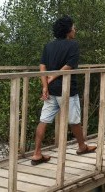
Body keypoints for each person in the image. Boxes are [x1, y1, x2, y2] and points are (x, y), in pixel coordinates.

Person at [30, 15, 96, 165]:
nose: (75, 29)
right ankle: (81, 146)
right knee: (74, 120)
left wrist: (45, 86)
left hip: (51, 90)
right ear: (68, 30)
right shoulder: (73, 45)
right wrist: (52, 78)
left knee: (44, 120)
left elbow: (42, 67)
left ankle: (36, 153)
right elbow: (69, 65)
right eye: (73, 27)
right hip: (67, 90)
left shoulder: (48, 46)